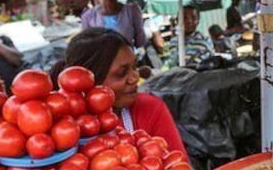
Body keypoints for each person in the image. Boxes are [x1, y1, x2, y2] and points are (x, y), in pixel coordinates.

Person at [51, 28, 186, 155]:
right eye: (122, 73)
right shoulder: (59, 128)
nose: (135, 78)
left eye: (135, 66)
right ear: (89, 80)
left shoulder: (150, 109)